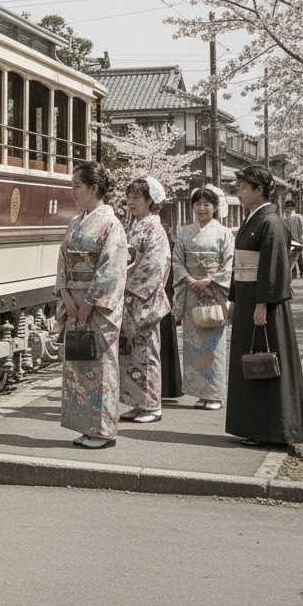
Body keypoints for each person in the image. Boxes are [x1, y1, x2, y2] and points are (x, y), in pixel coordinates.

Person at [226, 164, 303, 446]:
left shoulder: (271, 222)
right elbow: (239, 264)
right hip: (247, 297)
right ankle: (254, 425)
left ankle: (272, 428)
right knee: (250, 360)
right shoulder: (253, 219)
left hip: (263, 302)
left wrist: (262, 302)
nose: (238, 191)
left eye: (242, 187)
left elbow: (272, 267)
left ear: (259, 189)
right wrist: (234, 299)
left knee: (266, 360)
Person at [56, 161, 128, 449]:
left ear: (94, 188)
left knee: (101, 366)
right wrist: (65, 293)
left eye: (77, 186)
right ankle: (87, 426)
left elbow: (112, 268)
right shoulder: (75, 222)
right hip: (74, 302)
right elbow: (63, 259)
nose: (72, 192)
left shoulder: (112, 224)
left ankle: (104, 431)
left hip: (96, 307)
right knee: (79, 364)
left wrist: (88, 303)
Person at [172, 185, 234, 410]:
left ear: (215, 207)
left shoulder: (224, 233)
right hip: (192, 293)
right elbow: (177, 260)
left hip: (213, 293)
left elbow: (229, 263)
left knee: (213, 343)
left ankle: (214, 394)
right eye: (197, 204)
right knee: (192, 343)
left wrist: (209, 281)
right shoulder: (185, 232)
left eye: (206, 204)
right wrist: (189, 280)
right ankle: (200, 392)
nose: (201, 208)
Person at [119, 177, 172, 425]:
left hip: (144, 299)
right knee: (132, 353)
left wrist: (129, 286)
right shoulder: (138, 226)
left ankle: (152, 405)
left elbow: (154, 266)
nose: (130, 202)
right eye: (128, 198)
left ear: (149, 201)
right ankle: (138, 403)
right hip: (131, 296)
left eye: (136, 198)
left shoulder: (155, 229)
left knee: (147, 352)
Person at [283, 198, 303, 279]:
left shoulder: (298, 217)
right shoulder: (285, 219)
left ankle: (302, 271)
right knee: (291, 257)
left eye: (289, 208)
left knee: (299, 257)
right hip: (289, 241)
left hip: (298, 240)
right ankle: (293, 273)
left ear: (293, 208)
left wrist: (302, 239)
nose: (287, 210)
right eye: (286, 208)